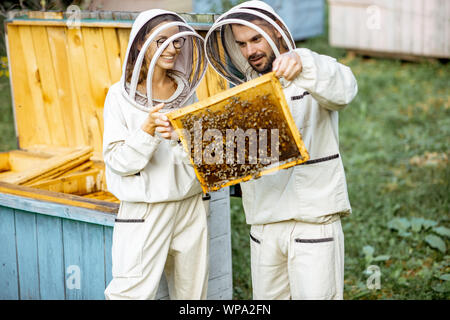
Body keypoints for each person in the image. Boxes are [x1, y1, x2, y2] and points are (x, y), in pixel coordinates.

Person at [205, 1, 358, 300]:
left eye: (256, 39)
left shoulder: (312, 68)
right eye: (242, 44)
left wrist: (303, 62)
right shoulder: (242, 90)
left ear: (276, 32)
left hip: (313, 219)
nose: (250, 51)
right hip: (264, 221)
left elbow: (345, 88)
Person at [103, 9, 209, 300]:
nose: (171, 49)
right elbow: (117, 161)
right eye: (160, 40)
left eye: (176, 42)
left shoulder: (187, 94)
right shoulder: (118, 97)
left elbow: (203, 154)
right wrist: (146, 130)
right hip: (146, 210)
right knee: (130, 294)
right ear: (140, 43)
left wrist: (185, 136)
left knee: (193, 295)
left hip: (190, 206)